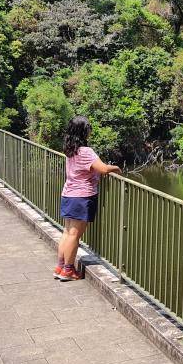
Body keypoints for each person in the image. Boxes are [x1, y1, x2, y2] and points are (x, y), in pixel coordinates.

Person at [55, 116, 120, 281]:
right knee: (74, 235)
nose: (90, 130)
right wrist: (116, 168)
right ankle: (68, 270)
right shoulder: (86, 151)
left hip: (68, 194)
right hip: (82, 197)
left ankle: (60, 267)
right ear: (84, 131)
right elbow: (103, 169)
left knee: (67, 232)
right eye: (88, 127)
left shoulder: (70, 149)